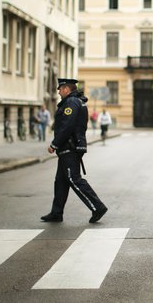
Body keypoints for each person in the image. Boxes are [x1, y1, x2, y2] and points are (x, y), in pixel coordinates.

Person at [41, 78, 108, 224]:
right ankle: (56, 213)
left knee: (73, 179)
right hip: (70, 146)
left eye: (60, 89)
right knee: (61, 181)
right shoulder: (76, 101)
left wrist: (55, 144)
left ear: (66, 89)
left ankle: (98, 207)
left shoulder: (71, 102)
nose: (58, 92)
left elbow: (67, 125)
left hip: (69, 147)